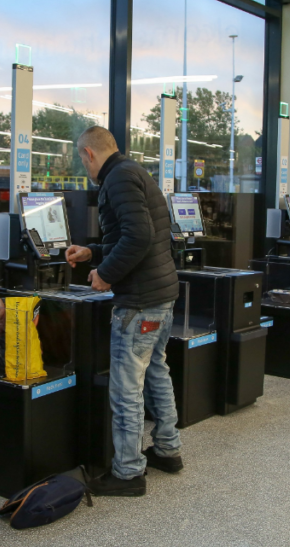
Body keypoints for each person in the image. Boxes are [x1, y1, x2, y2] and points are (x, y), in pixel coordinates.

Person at [64, 126, 181, 497]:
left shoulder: (117, 178)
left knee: (126, 387)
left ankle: (129, 472)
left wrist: (105, 274)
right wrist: (92, 252)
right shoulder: (133, 172)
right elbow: (131, 233)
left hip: (140, 300)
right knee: (156, 373)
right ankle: (167, 449)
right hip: (161, 293)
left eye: (82, 160)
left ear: (88, 155)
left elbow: (139, 237)